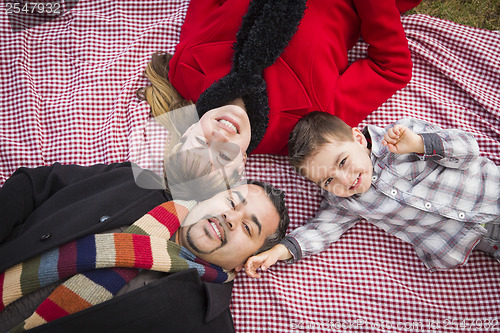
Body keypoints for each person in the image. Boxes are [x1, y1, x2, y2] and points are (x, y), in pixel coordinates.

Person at [0, 162, 289, 332]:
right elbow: (36, 184)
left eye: (248, 228)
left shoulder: (206, 324)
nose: (230, 217)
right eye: (231, 202)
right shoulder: (136, 183)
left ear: (245, 262)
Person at [140, 0, 420, 161]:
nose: (219, 138)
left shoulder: (187, 70)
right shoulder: (307, 126)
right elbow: (391, 67)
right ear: (242, 164)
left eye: (201, 145)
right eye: (223, 157)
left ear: (186, 134)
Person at [245, 111, 499, 278]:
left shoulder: (403, 138)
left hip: (491, 191)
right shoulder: (344, 201)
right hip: (477, 239)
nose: (344, 180)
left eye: (343, 161)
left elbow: (468, 149)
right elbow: (322, 230)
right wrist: (279, 251)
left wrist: (420, 143)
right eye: (328, 179)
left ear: (358, 138)